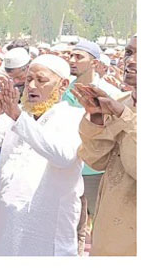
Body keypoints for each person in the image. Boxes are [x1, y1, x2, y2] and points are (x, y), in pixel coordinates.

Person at [0, 55, 85, 255]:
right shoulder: (17, 115)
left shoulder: (74, 117)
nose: (31, 86)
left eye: (41, 80)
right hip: (5, 228)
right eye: (29, 79)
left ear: (63, 85)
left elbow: (63, 157)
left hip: (48, 234)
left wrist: (18, 117)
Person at [73, 34, 136, 256]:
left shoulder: (120, 108)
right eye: (129, 52)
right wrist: (96, 119)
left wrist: (124, 116)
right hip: (108, 231)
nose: (132, 61)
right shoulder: (120, 103)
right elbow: (97, 160)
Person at [61, 39, 122, 252]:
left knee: (102, 221)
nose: (72, 60)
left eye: (79, 57)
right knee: (72, 223)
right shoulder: (63, 89)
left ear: (94, 63)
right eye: (71, 55)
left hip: (96, 169)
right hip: (69, 164)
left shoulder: (109, 93)